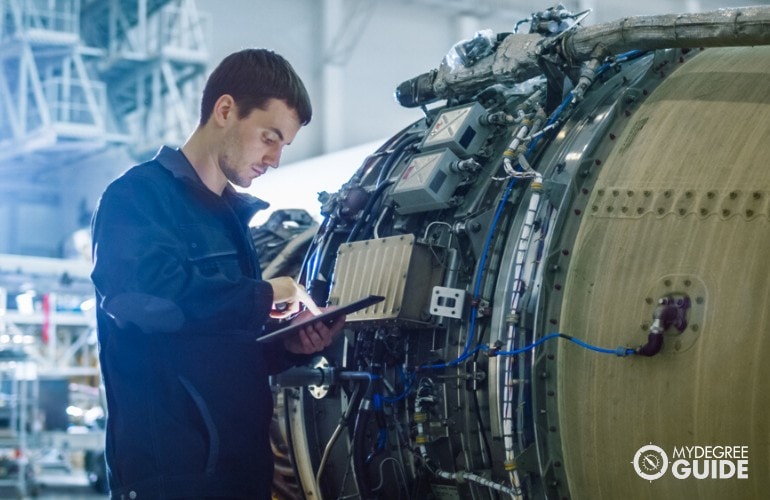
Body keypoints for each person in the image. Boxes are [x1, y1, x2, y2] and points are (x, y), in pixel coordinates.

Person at [90, 48, 345, 499]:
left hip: (241, 476)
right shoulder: (137, 196)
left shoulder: (230, 221)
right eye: (269, 137)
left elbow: (224, 346)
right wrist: (263, 295)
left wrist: (290, 345)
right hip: (173, 478)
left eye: (283, 145)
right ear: (225, 110)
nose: (275, 159)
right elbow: (145, 301)